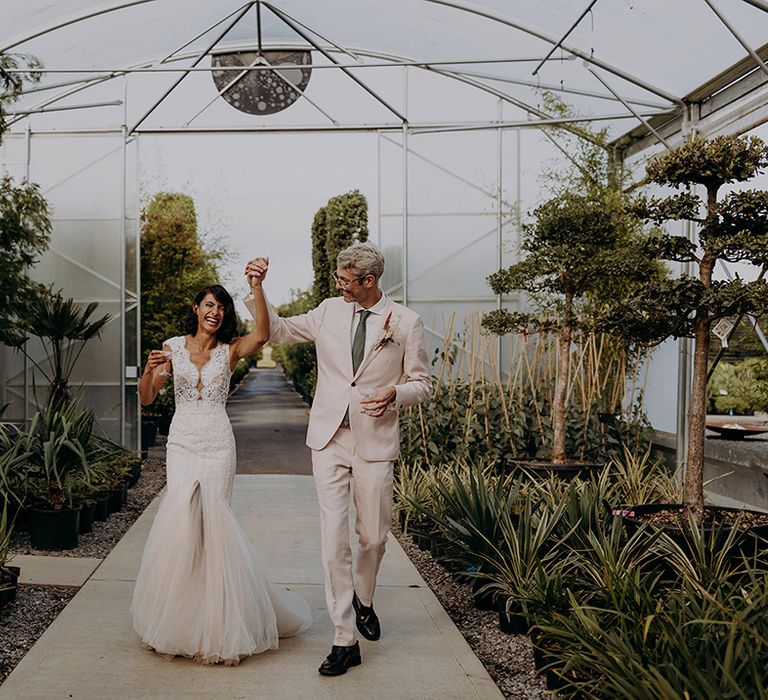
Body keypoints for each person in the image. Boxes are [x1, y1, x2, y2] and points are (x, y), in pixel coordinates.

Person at [244, 242, 431, 676]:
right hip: (328, 438)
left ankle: (364, 599)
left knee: (374, 538)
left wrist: (395, 393)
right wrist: (257, 288)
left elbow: (423, 382)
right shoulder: (329, 310)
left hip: (375, 442)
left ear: (369, 281)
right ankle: (344, 638)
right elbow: (278, 329)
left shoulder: (405, 322)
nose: (338, 285)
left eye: (346, 280)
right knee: (333, 541)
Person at [131, 279, 311, 665]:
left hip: (217, 445)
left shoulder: (230, 351)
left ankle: (219, 625)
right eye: (209, 305)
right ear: (197, 308)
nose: (215, 313)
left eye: (222, 308)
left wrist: (258, 288)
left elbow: (263, 334)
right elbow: (148, 398)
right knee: (182, 526)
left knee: (214, 528)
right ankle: (178, 620)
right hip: (182, 444)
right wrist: (148, 372)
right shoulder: (172, 348)